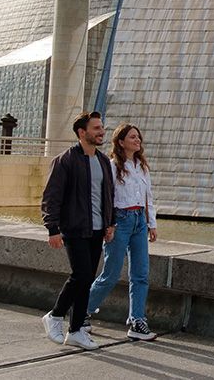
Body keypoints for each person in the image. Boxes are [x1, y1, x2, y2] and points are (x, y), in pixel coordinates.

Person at [40, 111, 116, 350]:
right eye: (96, 128)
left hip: (96, 229)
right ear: (82, 133)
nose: (101, 132)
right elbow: (51, 197)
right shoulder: (66, 160)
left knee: (87, 280)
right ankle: (54, 315)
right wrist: (52, 228)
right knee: (81, 275)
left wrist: (109, 223)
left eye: (101, 127)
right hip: (74, 228)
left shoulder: (103, 161)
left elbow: (108, 195)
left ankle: (75, 331)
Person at [82, 123, 159, 340]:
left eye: (138, 137)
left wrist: (152, 224)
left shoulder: (142, 166)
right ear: (121, 141)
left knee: (141, 274)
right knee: (111, 273)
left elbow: (148, 197)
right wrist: (110, 224)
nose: (138, 140)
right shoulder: (112, 165)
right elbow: (107, 198)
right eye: (133, 137)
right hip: (120, 221)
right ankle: (83, 311)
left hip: (139, 222)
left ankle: (137, 322)